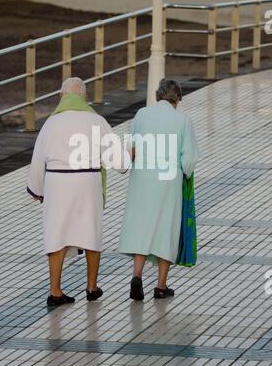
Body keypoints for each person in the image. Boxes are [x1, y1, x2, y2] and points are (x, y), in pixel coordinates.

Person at [27, 77, 128, 306]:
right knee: (91, 233)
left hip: (57, 183)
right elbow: (120, 162)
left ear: (62, 96)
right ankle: (91, 287)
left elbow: (37, 161)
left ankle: (55, 290)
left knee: (57, 234)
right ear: (84, 97)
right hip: (87, 181)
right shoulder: (96, 121)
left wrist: (37, 190)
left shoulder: (51, 123)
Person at [119, 78, 198, 300]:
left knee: (143, 227)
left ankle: (137, 275)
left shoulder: (141, 115)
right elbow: (189, 159)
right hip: (168, 180)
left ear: (157, 95)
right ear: (178, 98)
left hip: (142, 179)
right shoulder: (182, 120)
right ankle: (161, 286)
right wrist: (187, 173)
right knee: (166, 230)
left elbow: (131, 148)